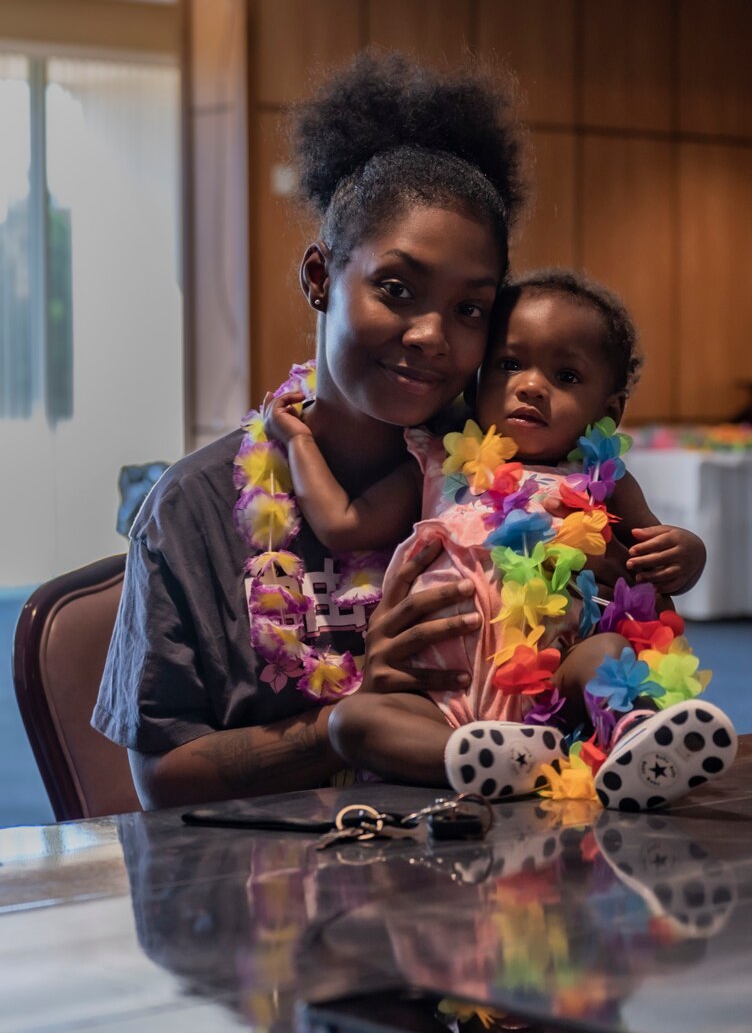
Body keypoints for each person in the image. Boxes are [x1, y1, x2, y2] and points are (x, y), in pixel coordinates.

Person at [93, 51, 526, 811]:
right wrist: (342, 721)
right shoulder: (191, 510)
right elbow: (163, 779)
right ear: (320, 276)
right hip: (265, 898)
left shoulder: (509, 493)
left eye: (469, 310)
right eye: (397, 289)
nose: (431, 334)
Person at [272, 269, 735, 802]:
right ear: (476, 384)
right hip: (440, 697)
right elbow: (344, 523)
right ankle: (495, 761)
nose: (532, 385)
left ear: (607, 412)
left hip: (555, 685)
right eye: (510, 364)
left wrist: (689, 553)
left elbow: (651, 565)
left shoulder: (605, 482)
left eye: (566, 376)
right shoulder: (440, 460)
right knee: (352, 723)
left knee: (607, 654)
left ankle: (634, 739)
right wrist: (298, 441)